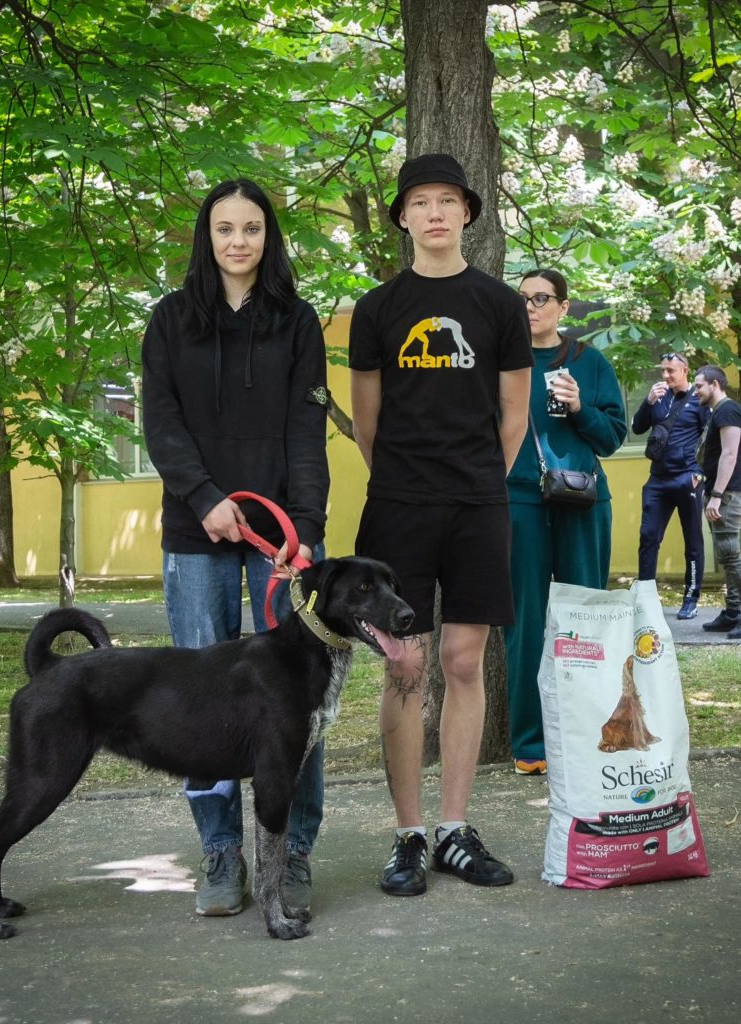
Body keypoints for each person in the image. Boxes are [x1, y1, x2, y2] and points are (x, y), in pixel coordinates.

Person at [141, 178, 330, 917]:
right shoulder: (169, 320)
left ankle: (295, 853)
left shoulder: (298, 322)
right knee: (200, 701)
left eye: (252, 228)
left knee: (296, 701)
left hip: (280, 544)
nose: (238, 241)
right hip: (195, 537)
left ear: (268, 236)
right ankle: (221, 853)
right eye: (225, 228)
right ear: (207, 236)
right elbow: (160, 424)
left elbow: (304, 438)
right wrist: (202, 497)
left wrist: (305, 532)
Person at [349, 153, 532, 897]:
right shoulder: (377, 308)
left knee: (462, 660)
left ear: (466, 213)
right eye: (419, 201)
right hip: (397, 506)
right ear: (403, 217)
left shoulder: (499, 305)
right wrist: (404, 479)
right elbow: (368, 419)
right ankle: (408, 834)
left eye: (447, 200)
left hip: (479, 505)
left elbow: (513, 415)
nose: (433, 212)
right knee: (405, 665)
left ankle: (455, 829)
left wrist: (479, 478)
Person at [504, 269, 627, 776]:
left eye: (541, 298)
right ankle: (530, 745)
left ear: (564, 306)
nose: (531, 306)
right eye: (523, 298)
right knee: (525, 625)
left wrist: (579, 408)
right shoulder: (501, 363)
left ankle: (587, 737)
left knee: (585, 623)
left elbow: (613, 436)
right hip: (518, 503)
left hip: (583, 501)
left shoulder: (589, 362)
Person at [632, 352, 710, 619]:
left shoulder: (699, 400)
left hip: (686, 477)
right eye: (663, 370)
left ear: (685, 371)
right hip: (657, 480)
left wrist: (698, 473)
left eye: (670, 371)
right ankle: (645, 598)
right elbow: (638, 427)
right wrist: (648, 401)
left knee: (692, 540)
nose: (665, 376)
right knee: (648, 537)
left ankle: (691, 598)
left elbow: (709, 440)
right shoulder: (658, 397)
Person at [693, 365, 741, 639]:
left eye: (699, 385)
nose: (695, 390)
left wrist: (716, 495)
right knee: (726, 553)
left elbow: (729, 455)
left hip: (728, 493)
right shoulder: (721, 412)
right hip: (723, 491)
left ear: (715, 384)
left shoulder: (727, 410)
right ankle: (733, 611)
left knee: (730, 552)